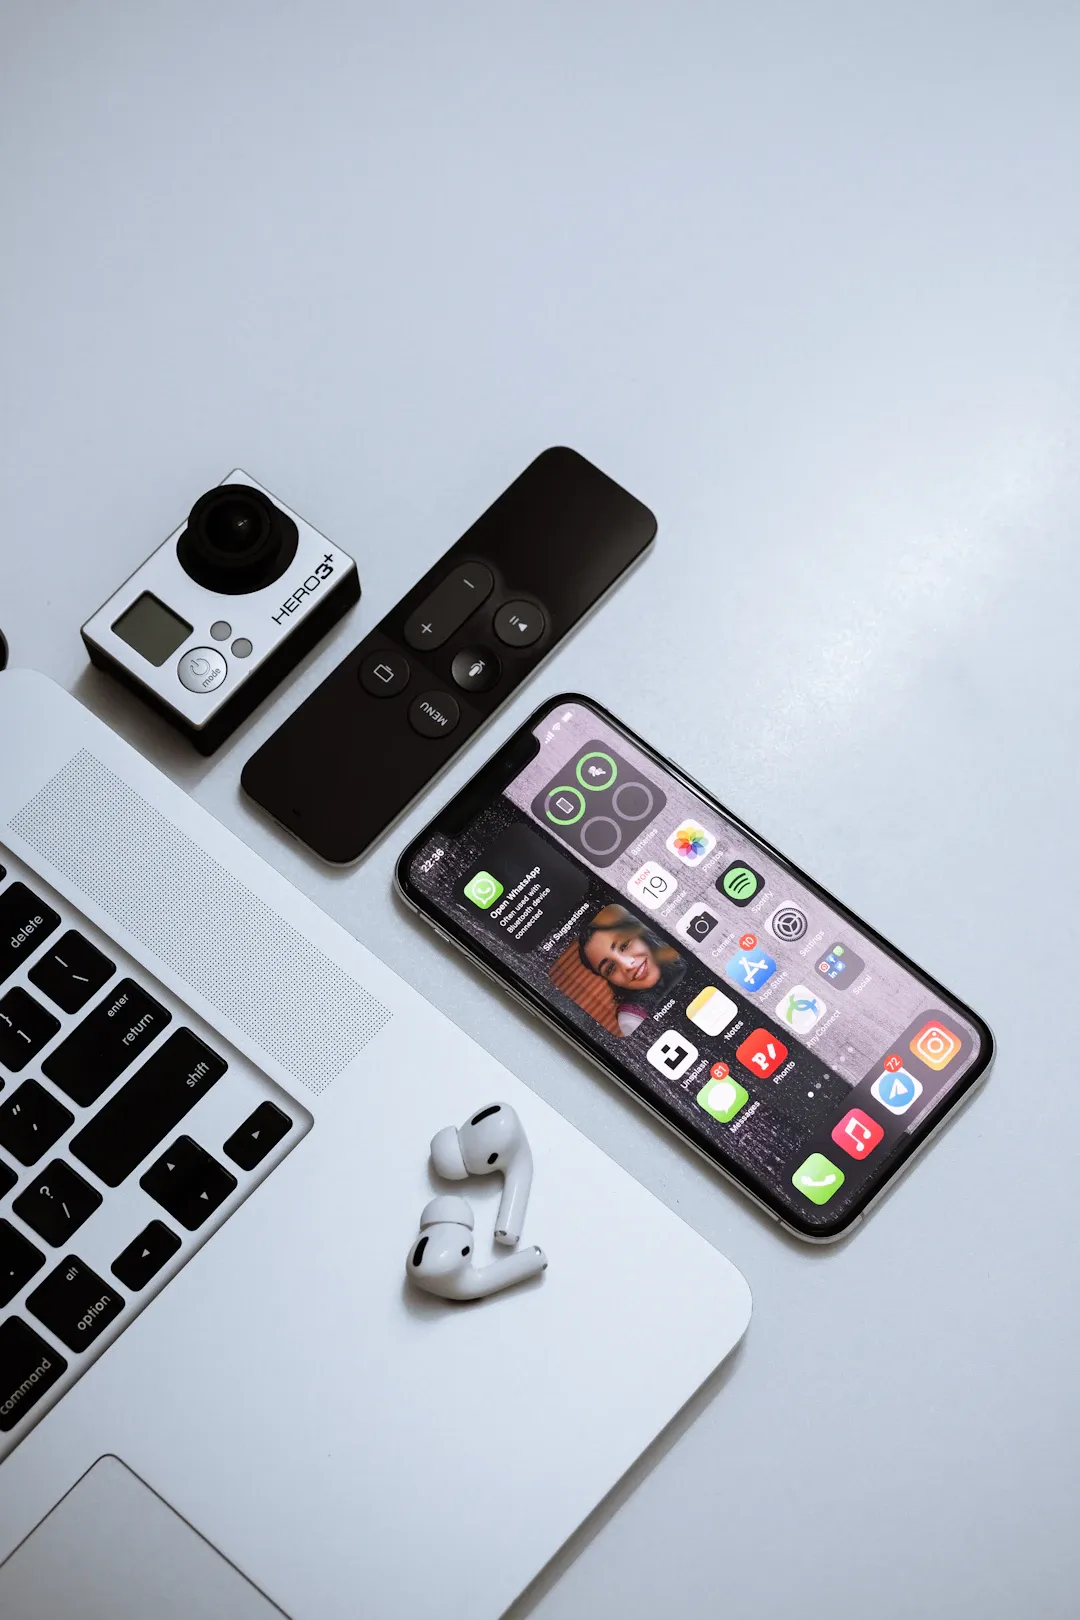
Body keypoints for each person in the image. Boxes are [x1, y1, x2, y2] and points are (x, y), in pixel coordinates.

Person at [576, 904, 684, 1035]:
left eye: (624, 945)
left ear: (642, 935)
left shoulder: (680, 938)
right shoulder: (631, 1018)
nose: (627, 965)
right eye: (610, 968)